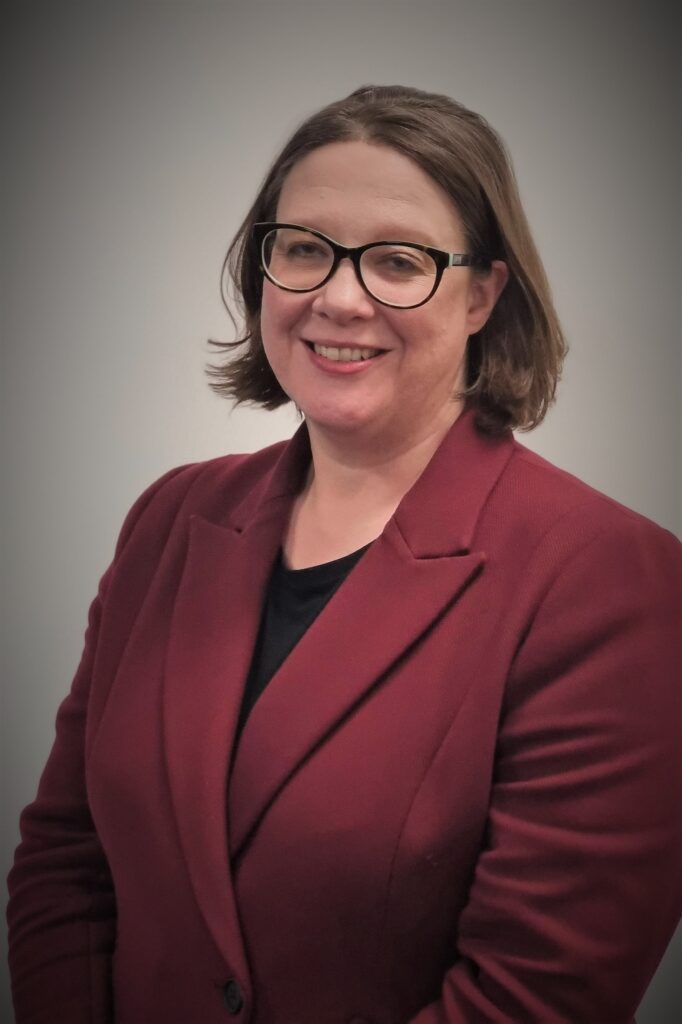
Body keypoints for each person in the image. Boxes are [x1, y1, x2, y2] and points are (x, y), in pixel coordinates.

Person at [7, 84, 681, 1024]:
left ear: (485, 292)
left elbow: (535, 998)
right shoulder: (170, 519)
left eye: (398, 262)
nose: (338, 296)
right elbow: (65, 862)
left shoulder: (610, 581)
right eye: (304, 250)